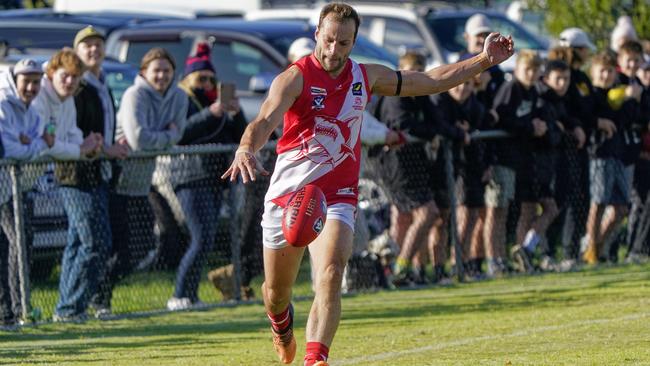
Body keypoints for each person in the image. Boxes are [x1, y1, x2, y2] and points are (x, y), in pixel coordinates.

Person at [221, 3, 514, 365]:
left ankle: (316, 358)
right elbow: (264, 119)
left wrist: (483, 60)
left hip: (337, 194)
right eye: (328, 40)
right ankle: (280, 323)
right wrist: (246, 148)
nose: (333, 50)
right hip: (288, 196)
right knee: (276, 293)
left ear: (354, 41)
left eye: (343, 43)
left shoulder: (366, 76)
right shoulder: (295, 77)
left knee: (330, 273)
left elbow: (432, 81)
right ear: (317, 34)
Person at [92, 47, 187, 313]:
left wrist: (161, 137)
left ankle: (100, 291)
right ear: (144, 72)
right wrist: (165, 136)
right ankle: (100, 298)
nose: (161, 75)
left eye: (166, 70)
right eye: (156, 70)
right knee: (116, 246)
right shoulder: (135, 95)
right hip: (119, 180)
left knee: (143, 245)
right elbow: (138, 139)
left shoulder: (178, 96)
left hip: (143, 183)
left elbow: (178, 135)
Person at [161, 42, 246, 309]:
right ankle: (179, 294)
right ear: (189, 77)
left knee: (206, 238)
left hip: (212, 178)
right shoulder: (182, 99)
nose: (207, 82)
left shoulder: (214, 102)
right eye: (202, 77)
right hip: (189, 176)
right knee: (200, 237)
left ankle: (190, 295)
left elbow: (239, 136)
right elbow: (183, 132)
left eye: (211, 78)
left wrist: (236, 112)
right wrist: (211, 114)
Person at [30, 49, 104, 322]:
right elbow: (46, 145)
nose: (70, 82)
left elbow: (69, 135)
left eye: (75, 77)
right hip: (21, 178)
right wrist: (79, 149)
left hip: (31, 178)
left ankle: (67, 309)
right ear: (51, 73)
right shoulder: (40, 97)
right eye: (65, 76)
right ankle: (65, 308)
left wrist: (88, 146)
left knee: (78, 241)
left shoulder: (68, 100)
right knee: (87, 241)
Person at [70, 26, 129, 319]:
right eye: (87, 45)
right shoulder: (78, 85)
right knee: (94, 242)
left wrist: (110, 147)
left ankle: (70, 306)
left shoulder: (103, 81)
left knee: (79, 242)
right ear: (77, 52)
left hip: (98, 171)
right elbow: (77, 133)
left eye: (97, 44)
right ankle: (74, 305)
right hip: (78, 172)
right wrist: (106, 148)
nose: (94, 50)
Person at [0, 58, 54, 328]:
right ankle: (14, 307)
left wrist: (30, 143)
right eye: (27, 81)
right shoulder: (3, 106)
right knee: (17, 242)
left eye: (36, 82)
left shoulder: (33, 112)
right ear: (15, 80)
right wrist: (35, 143)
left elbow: (40, 146)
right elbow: (10, 151)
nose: (32, 87)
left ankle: (13, 309)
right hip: (3, 188)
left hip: (16, 188)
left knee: (17, 244)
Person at [506, 51, 561, 273]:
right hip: (520, 159)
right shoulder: (512, 90)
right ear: (517, 69)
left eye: (535, 70)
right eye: (527, 69)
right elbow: (504, 117)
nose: (531, 74)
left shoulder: (536, 93)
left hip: (535, 161)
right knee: (531, 209)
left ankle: (526, 250)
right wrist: (530, 128)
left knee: (546, 208)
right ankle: (523, 252)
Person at [583, 51, 640, 265]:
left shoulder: (617, 93)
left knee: (621, 207)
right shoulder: (592, 95)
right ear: (594, 72)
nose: (606, 75)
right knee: (598, 204)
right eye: (602, 71)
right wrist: (599, 121)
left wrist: (628, 99)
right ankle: (590, 249)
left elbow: (625, 119)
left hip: (618, 154)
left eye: (609, 71)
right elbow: (586, 115)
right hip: (599, 154)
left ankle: (598, 245)